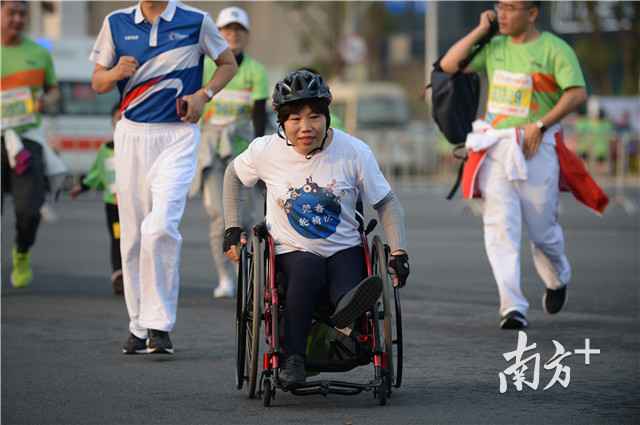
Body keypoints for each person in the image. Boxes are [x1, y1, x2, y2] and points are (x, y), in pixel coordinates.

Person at [223, 70, 410, 387]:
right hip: (290, 252)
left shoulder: (354, 151)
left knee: (346, 291)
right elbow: (233, 176)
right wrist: (232, 227)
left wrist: (399, 252)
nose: (305, 127)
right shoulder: (265, 150)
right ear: (282, 123)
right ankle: (293, 357)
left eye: (314, 117)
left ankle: (345, 320)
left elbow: (387, 203)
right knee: (308, 268)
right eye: (295, 118)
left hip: (345, 248)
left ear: (327, 117)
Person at [90, 0, 237, 355]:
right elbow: (97, 81)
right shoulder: (116, 22)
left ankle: (160, 324)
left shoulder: (196, 21)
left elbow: (227, 64)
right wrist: (114, 74)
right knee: (134, 235)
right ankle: (138, 325)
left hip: (177, 135)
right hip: (132, 135)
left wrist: (204, 94)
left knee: (160, 227)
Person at [440, 1, 590, 329]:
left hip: (538, 143)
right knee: (500, 228)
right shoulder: (494, 47)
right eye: (500, 6)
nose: (503, 13)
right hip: (497, 144)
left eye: (511, 7)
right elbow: (449, 64)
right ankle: (512, 307)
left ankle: (558, 276)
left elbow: (576, 94)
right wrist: (482, 28)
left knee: (542, 230)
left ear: (533, 13)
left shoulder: (554, 49)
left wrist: (541, 124)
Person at [189, 6, 269, 299]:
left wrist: (260, 155)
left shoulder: (256, 71)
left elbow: (260, 115)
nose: (233, 34)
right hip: (210, 152)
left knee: (245, 219)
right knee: (218, 217)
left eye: (239, 30)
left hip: (242, 152)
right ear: (218, 34)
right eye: (227, 30)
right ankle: (225, 277)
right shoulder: (206, 67)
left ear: (246, 35)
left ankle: (244, 274)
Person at [1, 0, 61, 288]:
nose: (17, 19)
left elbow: (53, 92)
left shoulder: (39, 53)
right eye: (11, 12)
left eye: (22, 13)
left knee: (29, 210)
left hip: (26, 140)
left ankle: (22, 251)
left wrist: (44, 101)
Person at [70, 104, 124, 295]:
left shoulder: (138, 149)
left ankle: (136, 275)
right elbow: (96, 174)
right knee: (118, 238)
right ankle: (119, 275)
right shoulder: (106, 150)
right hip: (113, 206)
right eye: (117, 117)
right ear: (112, 122)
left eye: (124, 116)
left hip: (134, 205)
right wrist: (81, 187)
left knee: (137, 239)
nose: (120, 120)